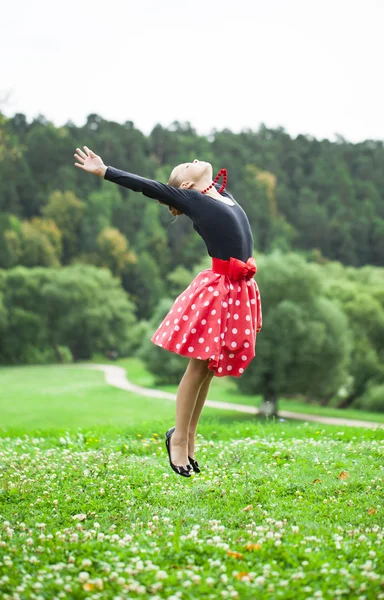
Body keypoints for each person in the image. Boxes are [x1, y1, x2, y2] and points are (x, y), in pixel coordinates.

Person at [74, 145, 262, 478]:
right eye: (186, 165)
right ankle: (177, 440)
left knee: (208, 370)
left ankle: (188, 439)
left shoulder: (219, 194)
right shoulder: (195, 200)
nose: (194, 159)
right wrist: (105, 171)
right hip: (218, 290)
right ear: (185, 188)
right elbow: (149, 186)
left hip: (237, 289)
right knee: (197, 367)